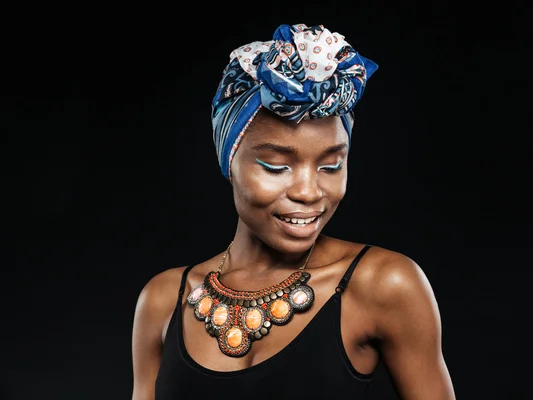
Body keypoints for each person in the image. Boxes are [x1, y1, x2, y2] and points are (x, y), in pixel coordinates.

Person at [131, 23, 455, 400]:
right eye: (275, 166)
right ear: (229, 161)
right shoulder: (164, 299)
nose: (308, 192)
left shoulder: (383, 284)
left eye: (331, 166)